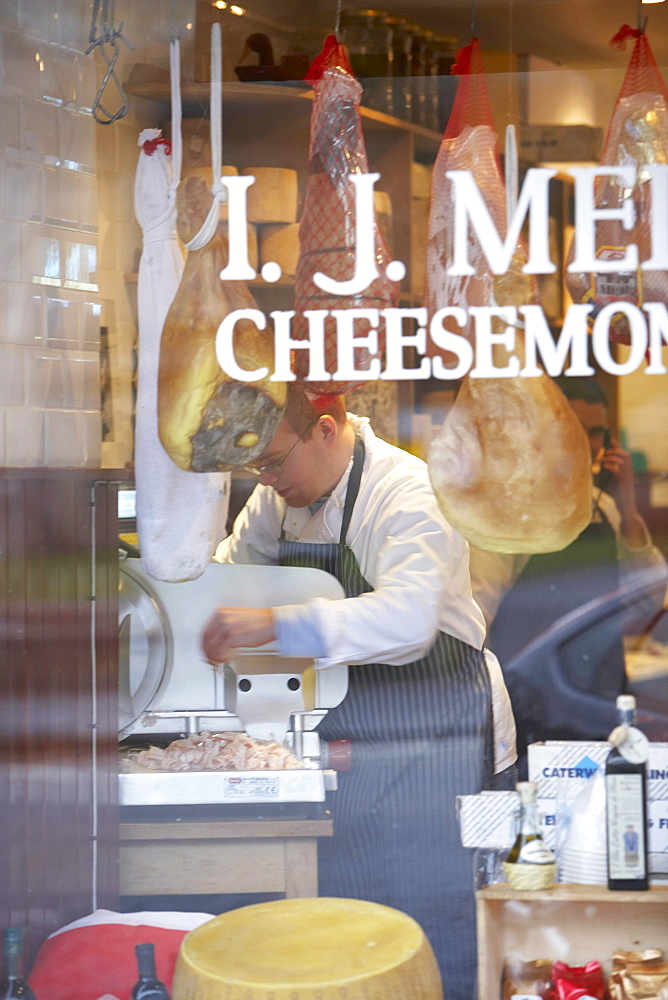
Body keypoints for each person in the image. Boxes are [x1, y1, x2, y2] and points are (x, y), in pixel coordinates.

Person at [202, 386, 516, 1000]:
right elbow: (231, 570)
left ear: (325, 429)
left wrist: (275, 624)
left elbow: (407, 622)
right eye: (255, 468)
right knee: (356, 919)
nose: (265, 481)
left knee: (440, 919)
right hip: (362, 738)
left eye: (272, 462)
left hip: (447, 733)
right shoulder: (278, 498)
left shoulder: (407, 493)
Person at [469, 376, 666, 725]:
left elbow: (649, 602)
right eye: (576, 429)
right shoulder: (511, 512)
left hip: (600, 697)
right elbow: (477, 620)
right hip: (528, 700)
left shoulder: (604, 505)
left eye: (595, 433)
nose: (586, 444)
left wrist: (630, 510)